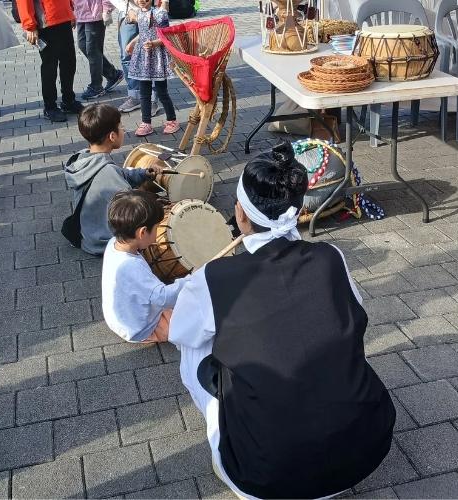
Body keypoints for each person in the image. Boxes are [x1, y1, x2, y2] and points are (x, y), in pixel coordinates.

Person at [169, 142, 395, 499]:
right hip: (365, 449)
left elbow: (181, 332)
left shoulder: (211, 278)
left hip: (267, 477)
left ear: (240, 214)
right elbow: (352, 313)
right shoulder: (330, 256)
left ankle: (223, 440)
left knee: (193, 350)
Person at [64, 103, 156, 255]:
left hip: (88, 234)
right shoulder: (108, 172)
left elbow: (120, 173)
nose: (124, 130)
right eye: (121, 127)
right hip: (104, 243)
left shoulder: (84, 158)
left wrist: (143, 174)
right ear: (112, 136)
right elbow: (131, 208)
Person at [102, 190, 189, 342]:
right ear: (142, 233)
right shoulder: (131, 267)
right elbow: (163, 298)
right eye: (156, 228)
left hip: (121, 318)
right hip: (139, 328)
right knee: (193, 316)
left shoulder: (113, 243)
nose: (158, 231)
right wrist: (189, 280)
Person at [17, 0, 84, 122]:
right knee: (50, 66)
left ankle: (68, 100)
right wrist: (29, 26)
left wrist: (70, 11)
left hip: (63, 17)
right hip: (45, 21)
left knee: (69, 62)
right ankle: (50, 106)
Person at [126, 0, 179, 137]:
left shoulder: (160, 13)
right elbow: (143, 33)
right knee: (144, 92)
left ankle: (172, 120)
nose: (141, 0)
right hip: (143, 58)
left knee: (162, 91)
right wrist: (132, 43)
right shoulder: (138, 13)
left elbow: (166, 35)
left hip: (157, 58)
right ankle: (146, 123)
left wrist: (154, 43)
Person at [109, 0, 157, 115]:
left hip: (151, 9)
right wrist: (127, 9)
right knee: (127, 56)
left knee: (150, 54)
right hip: (127, 12)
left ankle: (152, 99)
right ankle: (134, 96)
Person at [74, 0, 124, 100]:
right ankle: (112, 74)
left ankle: (96, 86)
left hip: (95, 14)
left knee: (93, 51)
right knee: (83, 45)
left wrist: (107, 10)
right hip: (80, 14)